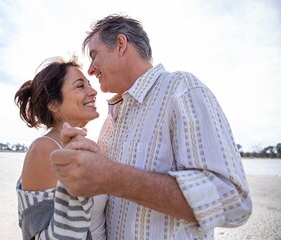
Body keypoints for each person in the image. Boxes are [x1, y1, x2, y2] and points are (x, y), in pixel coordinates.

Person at [50, 14, 252, 239]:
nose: (91, 70)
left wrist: (113, 177)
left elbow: (233, 201)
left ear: (120, 44)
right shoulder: (109, 123)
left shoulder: (182, 90)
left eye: (94, 56)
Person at [14, 56, 107, 240]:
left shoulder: (89, 146)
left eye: (89, 84)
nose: (93, 91)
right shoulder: (44, 149)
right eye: (81, 86)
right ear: (54, 104)